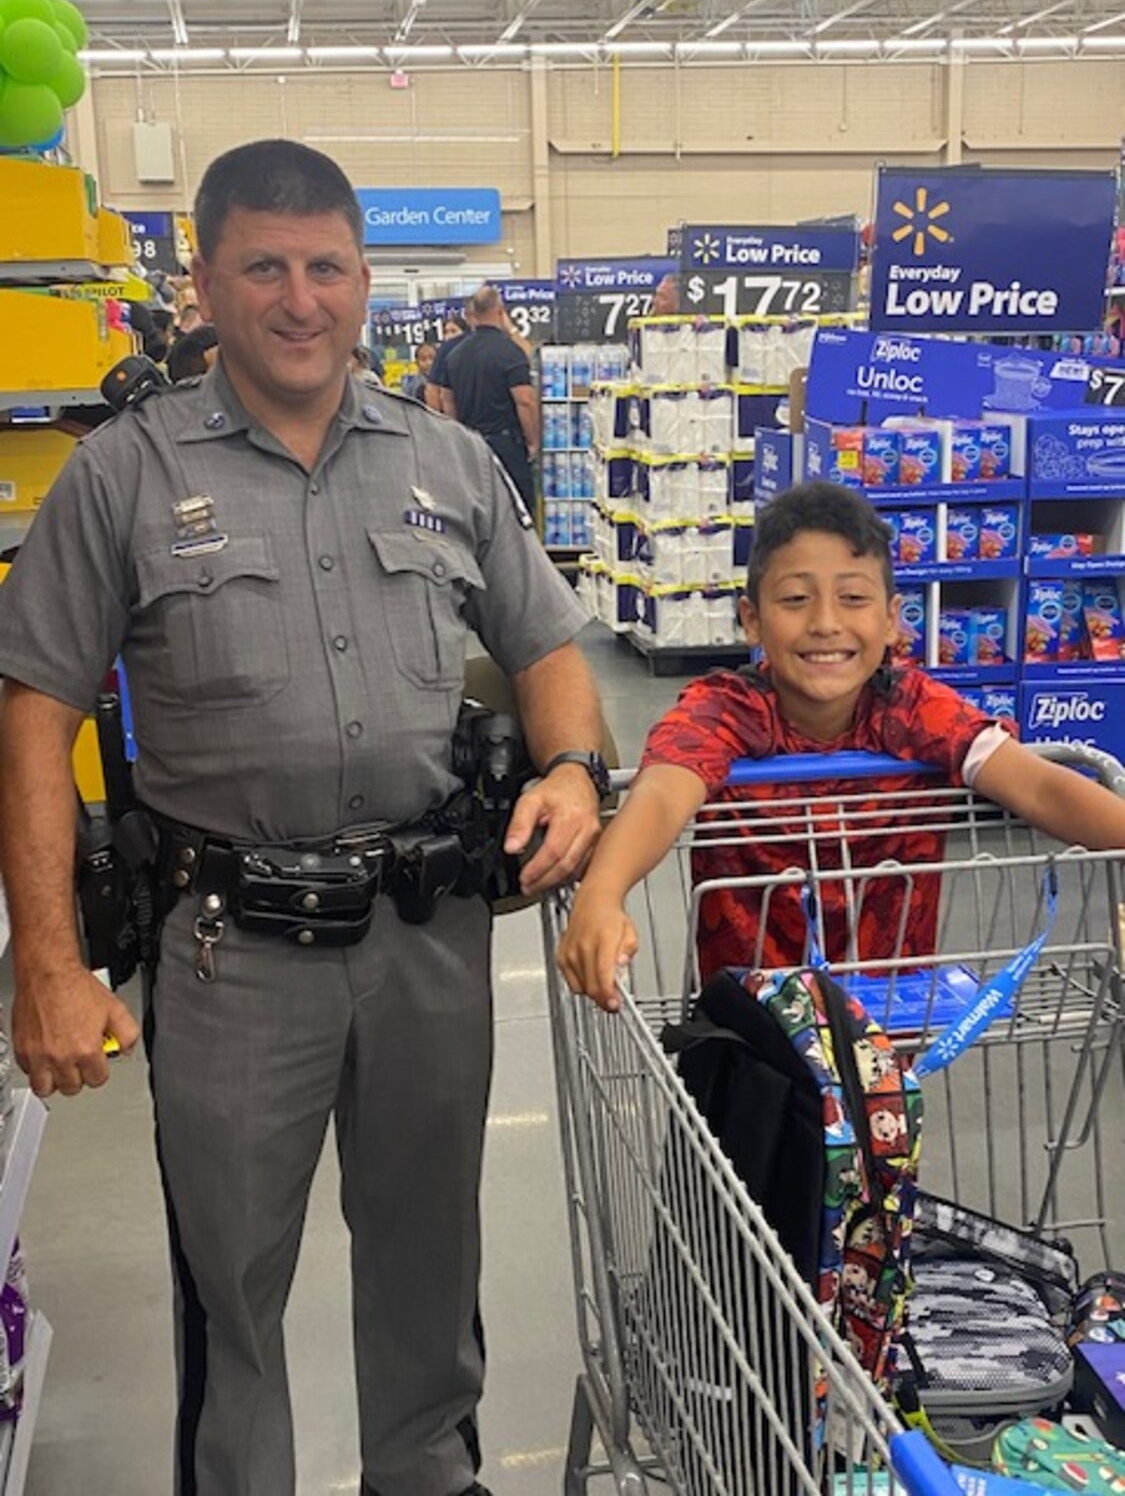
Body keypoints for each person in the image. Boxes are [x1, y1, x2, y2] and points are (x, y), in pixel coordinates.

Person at [0, 137, 607, 1496]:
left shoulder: (447, 462)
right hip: (229, 960)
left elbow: (549, 646)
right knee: (232, 1295)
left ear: (364, 281)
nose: (298, 298)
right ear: (205, 283)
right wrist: (45, 962)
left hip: (428, 945)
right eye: (262, 266)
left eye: (326, 266)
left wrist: (574, 771)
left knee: (429, 1268)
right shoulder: (124, 476)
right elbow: (31, 707)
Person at [557, 481, 1125, 1011]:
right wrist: (602, 894)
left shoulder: (912, 708)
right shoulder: (728, 710)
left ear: (890, 623)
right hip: (752, 1029)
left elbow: (1037, 785)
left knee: (878, 1118)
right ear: (751, 621)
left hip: (888, 1023)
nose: (826, 623)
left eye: (853, 598)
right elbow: (661, 792)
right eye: (796, 599)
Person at [440, 285, 539, 515]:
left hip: (469, 445)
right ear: (500, 311)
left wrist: (457, 436)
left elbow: (447, 400)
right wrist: (532, 442)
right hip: (506, 445)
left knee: (476, 512)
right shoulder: (510, 353)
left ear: (473, 314)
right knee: (517, 513)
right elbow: (525, 401)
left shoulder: (454, 354)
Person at [425, 311, 469, 411]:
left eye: (453, 331)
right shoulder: (443, 352)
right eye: (446, 332)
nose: (449, 336)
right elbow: (432, 390)